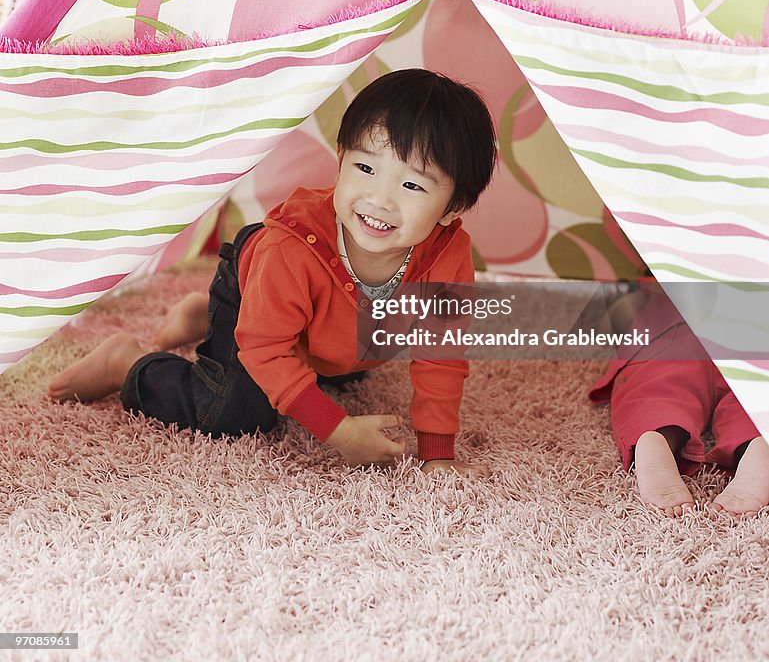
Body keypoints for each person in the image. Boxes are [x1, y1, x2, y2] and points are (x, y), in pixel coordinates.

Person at [48, 69, 497, 475]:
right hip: (255, 283)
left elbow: (440, 354)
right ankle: (127, 360)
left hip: (318, 321)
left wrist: (438, 453)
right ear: (340, 157)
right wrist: (336, 430)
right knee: (233, 412)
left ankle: (204, 315)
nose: (379, 199)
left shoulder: (448, 256)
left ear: (453, 208)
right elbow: (264, 351)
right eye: (364, 168)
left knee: (346, 365)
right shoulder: (291, 249)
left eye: (412, 185)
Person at [589, 281, 769, 517]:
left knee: (657, 395)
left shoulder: (661, 282)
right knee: (754, 400)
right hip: (753, 336)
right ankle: (759, 441)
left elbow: (615, 321)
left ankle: (657, 435)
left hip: (673, 336)